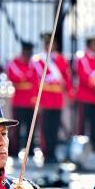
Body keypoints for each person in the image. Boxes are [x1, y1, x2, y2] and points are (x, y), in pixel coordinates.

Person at [30, 31, 71, 164]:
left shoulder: (61, 60)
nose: (50, 46)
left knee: (55, 128)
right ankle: (46, 154)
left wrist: (69, 93)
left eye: (52, 44)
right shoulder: (38, 60)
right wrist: (36, 97)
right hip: (45, 98)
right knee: (45, 129)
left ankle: (53, 153)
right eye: (48, 44)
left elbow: (66, 78)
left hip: (57, 98)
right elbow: (34, 80)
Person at [6, 41, 37, 159]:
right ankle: (14, 149)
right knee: (17, 128)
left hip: (31, 101)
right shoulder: (14, 63)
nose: (27, 55)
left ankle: (30, 149)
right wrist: (25, 79)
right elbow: (15, 77)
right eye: (26, 52)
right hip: (19, 100)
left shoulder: (33, 64)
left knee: (31, 128)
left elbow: (35, 81)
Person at [75, 35, 95, 155]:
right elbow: (84, 76)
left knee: (94, 123)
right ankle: (80, 147)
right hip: (85, 96)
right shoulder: (83, 58)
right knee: (82, 123)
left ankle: (94, 145)